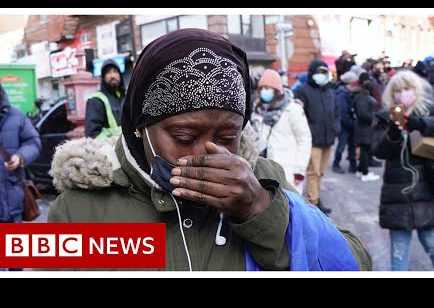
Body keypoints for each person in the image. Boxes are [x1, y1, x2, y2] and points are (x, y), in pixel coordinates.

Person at [47, 28, 372, 271]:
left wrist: (259, 211)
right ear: (139, 126)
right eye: (185, 136)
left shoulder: (263, 180)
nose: (209, 152)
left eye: (228, 135)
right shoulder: (82, 205)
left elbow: (354, 262)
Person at [372, 70, 434, 271]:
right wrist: (393, 134)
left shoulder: (429, 108)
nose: (402, 94)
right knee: (398, 256)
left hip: (430, 190)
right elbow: (378, 150)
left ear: (415, 89)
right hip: (398, 194)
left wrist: (423, 124)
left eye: (407, 89)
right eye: (397, 90)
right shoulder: (385, 115)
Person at [0, 68, 41, 271]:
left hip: (14, 203)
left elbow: (33, 142)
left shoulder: (16, 116)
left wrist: (20, 157)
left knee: (16, 261)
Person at [250, 69, 312, 193]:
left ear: (277, 90)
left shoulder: (292, 109)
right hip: (264, 168)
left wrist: (299, 170)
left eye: (268, 88)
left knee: (289, 206)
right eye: (262, 88)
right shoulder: (258, 109)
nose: (264, 92)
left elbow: (304, 140)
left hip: (287, 168)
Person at [293, 59, 340, 215]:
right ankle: (314, 203)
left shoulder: (331, 91)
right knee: (313, 172)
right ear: (312, 73)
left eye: (323, 72)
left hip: (328, 139)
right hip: (312, 140)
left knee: (320, 172)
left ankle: (316, 197)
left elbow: (336, 113)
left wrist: (335, 128)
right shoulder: (302, 91)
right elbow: (298, 116)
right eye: (318, 72)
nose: (321, 75)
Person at [85, 59, 126, 139]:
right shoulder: (96, 99)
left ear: (120, 75)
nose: (112, 75)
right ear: (103, 77)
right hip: (109, 149)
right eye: (108, 72)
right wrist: (110, 144)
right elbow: (93, 134)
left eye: (115, 71)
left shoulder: (125, 96)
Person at [352, 73, 379, 182]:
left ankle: (360, 170)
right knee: (364, 150)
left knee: (365, 150)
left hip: (365, 128)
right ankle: (365, 172)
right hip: (364, 128)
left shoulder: (364, 95)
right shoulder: (362, 97)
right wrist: (374, 118)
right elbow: (362, 114)